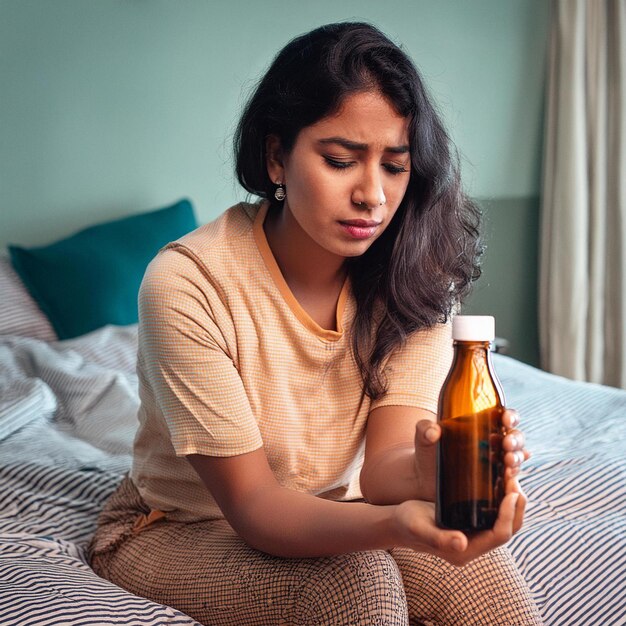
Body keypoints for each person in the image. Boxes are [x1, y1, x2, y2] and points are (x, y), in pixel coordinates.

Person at [88, 21, 543, 626]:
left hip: (334, 502)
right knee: (356, 583)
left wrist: (433, 473)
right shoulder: (188, 284)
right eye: (340, 160)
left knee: (480, 580)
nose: (372, 196)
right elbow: (254, 506)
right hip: (178, 527)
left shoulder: (419, 283)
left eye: (395, 167)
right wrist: (392, 526)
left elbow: (383, 472)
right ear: (277, 156)